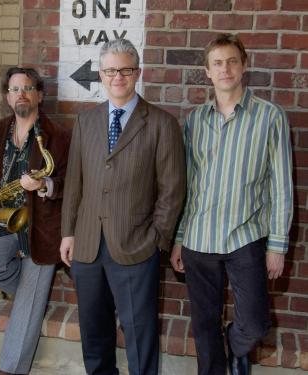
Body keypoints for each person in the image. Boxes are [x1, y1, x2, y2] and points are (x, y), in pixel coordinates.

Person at [60, 39, 186, 375]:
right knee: (94, 330)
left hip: (135, 246)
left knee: (139, 331)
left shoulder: (161, 124)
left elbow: (172, 190)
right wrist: (68, 233)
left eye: (126, 69)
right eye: (111, 70)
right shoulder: (86, 123)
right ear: (101, 74)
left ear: (137, 73)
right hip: (87, 244)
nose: (118, 76)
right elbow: (74, 183)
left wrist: (157, 239)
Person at [170, 33, 293, 375]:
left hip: (246, 236)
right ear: (207, 72)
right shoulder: (195, 121)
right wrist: (180, 237)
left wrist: (278, 245)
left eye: (232, 61)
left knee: (254, 322)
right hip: (199, 238)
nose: (225, 69)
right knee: (204, 323)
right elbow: (189, 186)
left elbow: (282, 186)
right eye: (217, 63)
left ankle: (236, 345)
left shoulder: (270, 117)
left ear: (244, 66)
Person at [0, 67, 70, 375]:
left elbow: (71, 182)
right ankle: (32, 297)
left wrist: (45, 186)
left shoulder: (58, 136)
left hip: (42, 227)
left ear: (40, 95)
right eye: (14, 89)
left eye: (27, 88)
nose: (20, 93)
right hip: (2, 219)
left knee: (30, 298)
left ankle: (11, 369)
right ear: (7, 97)